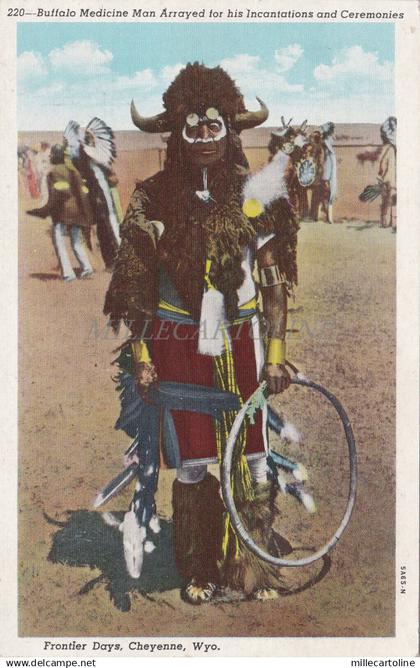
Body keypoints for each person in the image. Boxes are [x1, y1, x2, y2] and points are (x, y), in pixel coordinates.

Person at [104, 63, 299, 604]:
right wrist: (142, 357)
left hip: (242, 341)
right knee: (191, 463)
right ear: (177, 134)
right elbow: (136, 293)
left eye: (215, 126)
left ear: (231, 131)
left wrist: (277, 354)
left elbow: (275, 284)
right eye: (194, 127)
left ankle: (253, 565)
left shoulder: (256, 193)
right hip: (177, 345)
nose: (206, 138)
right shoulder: (154, 198)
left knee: (254, 455)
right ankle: (200, 567)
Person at [27, 144, 94, 282]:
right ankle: (87, 268)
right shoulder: (73, 171)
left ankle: (69, 274)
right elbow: (82, 193)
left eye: (52, 155)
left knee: (59, 242)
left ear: (55, 157)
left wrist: (40, 212)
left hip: (62, 214)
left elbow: (55, 198)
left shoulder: (52, 174)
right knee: (76, 242)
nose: (50, 157)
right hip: (77, 213)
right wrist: (86, 214)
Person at [64, 118, 121, 271]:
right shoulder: (84, 154)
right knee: (106, 226)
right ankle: (111, 261)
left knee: (106, 226)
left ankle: (111, 261)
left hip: (98, 192)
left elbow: (107, 172)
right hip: (96, 193)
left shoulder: (88, 155)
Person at [377, 116, 397, 231]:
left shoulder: (386, 148)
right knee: (392, 201)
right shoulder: (393, 148)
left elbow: (382, 165)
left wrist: (380, 175)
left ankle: (386, 222)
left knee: (386, 201)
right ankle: (393, 223)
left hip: (386, 178)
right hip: (392, 179)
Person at [319, 122, 337, 224]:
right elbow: (325, 160)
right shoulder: (326, 143)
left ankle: (328, 217)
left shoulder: (328, 144)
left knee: (328, 194)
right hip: (327, 173)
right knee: (327, 194)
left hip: (330, 173)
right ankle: (328, 217)